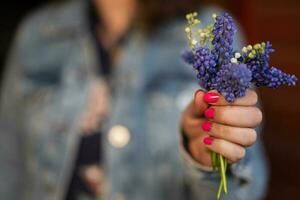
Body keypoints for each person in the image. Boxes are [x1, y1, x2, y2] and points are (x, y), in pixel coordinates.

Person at [0, 0, 268, 199]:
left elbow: (245, 190)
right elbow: (8, 166)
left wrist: (209, 165)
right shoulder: (39, 34)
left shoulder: (211, 29)